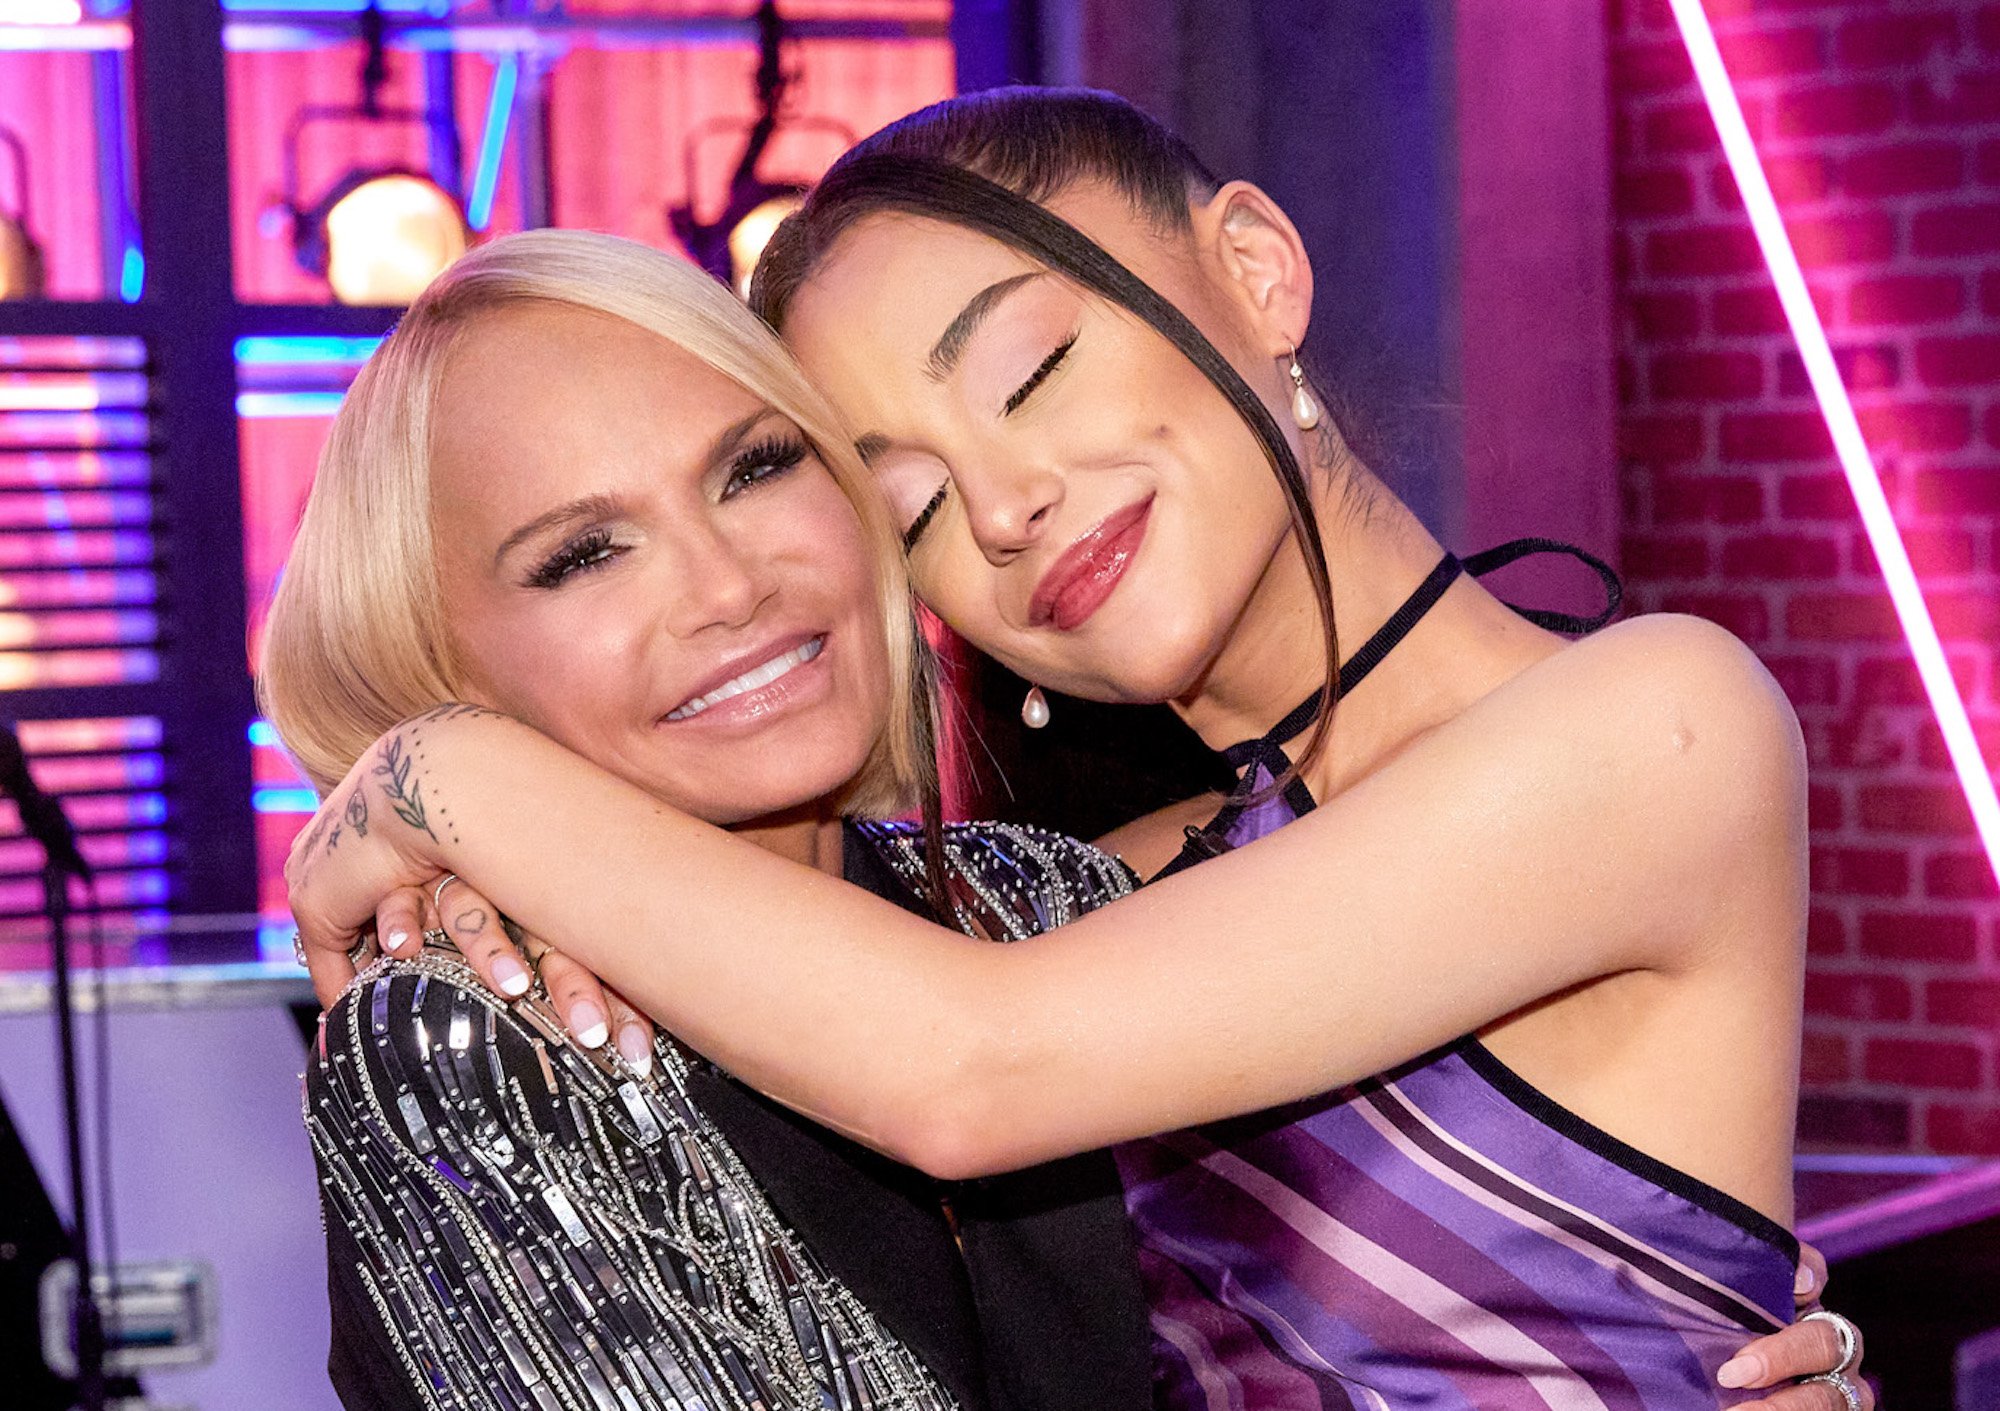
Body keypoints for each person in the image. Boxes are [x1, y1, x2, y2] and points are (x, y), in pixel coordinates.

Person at [289, 91, 1872, 1410]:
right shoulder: (1063, 905)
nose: (1003, 504)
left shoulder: (1656, 719)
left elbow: (976, 1064)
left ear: (1255, 267)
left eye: (1031, 372)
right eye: (906, 498)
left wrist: (453, 774)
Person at [264, 229, 1156, 1411]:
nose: (730, 585)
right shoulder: (477, 1037)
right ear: (447, 669)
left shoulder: (1035, 900)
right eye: (583, 555)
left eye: (754, 468)